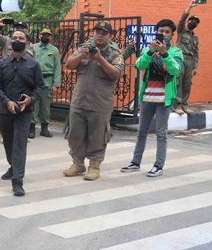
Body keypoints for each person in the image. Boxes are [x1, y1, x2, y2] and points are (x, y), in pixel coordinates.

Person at [121, 19, 183, 177]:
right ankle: (135, 162)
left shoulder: (176, 52)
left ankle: (158, 165)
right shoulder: (148, 49)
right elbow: (140, 65)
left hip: (164, 99)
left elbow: (174, 70)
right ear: (157, 32)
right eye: (161, 31)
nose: (163, 34)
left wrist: (164, 54)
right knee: (141, 131)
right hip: (147, 97)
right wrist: (150, 52)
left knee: (161, 133)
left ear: (172, 34)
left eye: (167, 32)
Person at [63, 22, 124, 181]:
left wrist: (99, 59)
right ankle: (78, 163)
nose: (99, 35)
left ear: (110, 36)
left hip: (100, 103)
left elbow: (115, 73)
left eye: (104, 33)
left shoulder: (114, 53)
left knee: (97, 135)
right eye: (97, 31)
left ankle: (94, 166)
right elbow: (69, 65)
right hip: (79, 100)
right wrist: (81, 55)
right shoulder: (84, 47)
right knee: (75, 133)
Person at [0, 30, 43, 196]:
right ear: (10, 42)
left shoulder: (33, 64)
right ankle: (13, 166)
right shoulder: (1, 63)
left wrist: (30, 99)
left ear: (27, 42)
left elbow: (40, 87)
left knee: (19, 145)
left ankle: (17, 180)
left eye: (21, 38)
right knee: (8, 143)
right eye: (14, 38)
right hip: (4, 111)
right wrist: (7, 102)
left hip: (24, 111)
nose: (17, 40)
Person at [30, 28, 61, 138]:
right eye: (44, 35)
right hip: (34, 81)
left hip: (47, 81)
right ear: (39, 36)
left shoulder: (54, 50)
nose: (46, 37)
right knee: (34, 105)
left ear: (51, 37)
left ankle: (44, 128)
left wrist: (56, 84)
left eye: (48, 35)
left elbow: (57, 68)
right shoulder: (33, 48)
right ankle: (32, 128)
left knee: (45, 107)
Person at [173, 0, 201, 115]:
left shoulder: (195, 38)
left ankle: (184, 105)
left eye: (196, 22)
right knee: (178, 82)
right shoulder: (181, 31)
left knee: (187, 84)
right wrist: (189, 7)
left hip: (190, 62)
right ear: (188, 21)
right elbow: (181, 20)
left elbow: (196, 54)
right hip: (180, 59)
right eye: (192, 20)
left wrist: (195, 67)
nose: (193, 23)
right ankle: (177, 105)